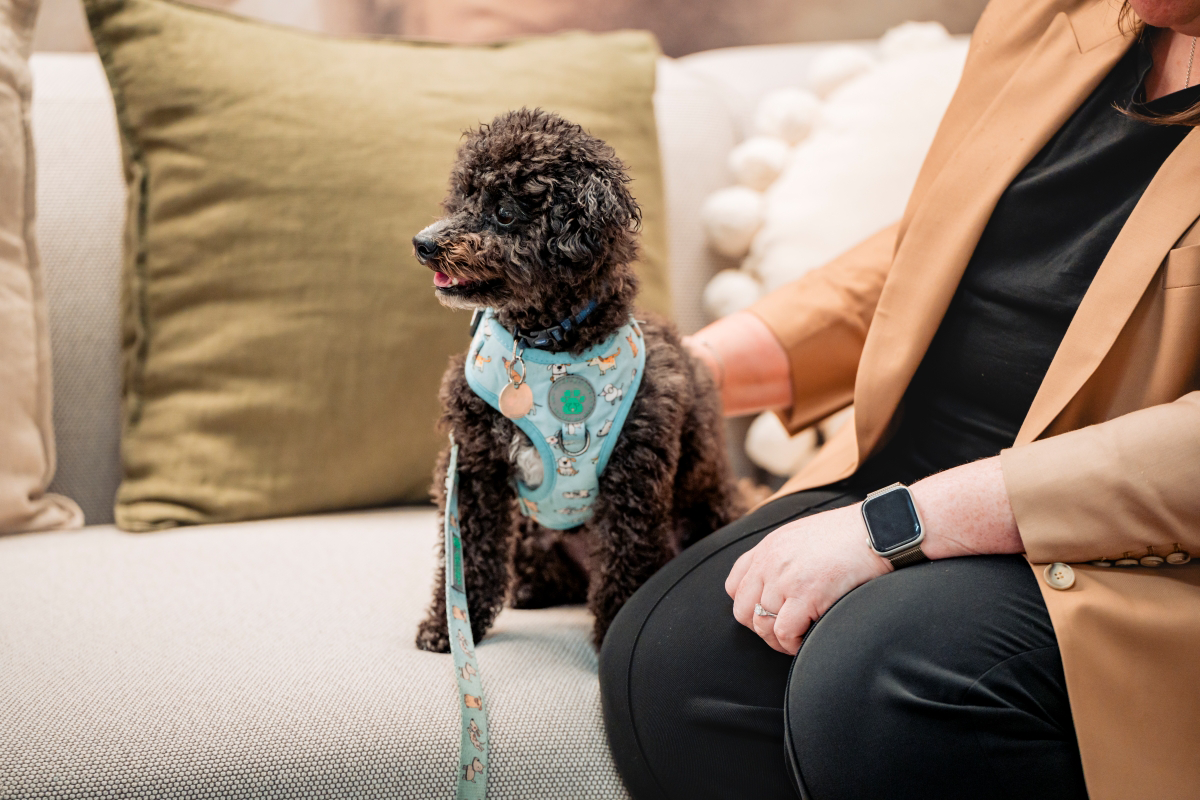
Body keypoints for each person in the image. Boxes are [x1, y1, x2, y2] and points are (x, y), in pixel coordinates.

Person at [598, 0, 1200, 798]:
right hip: (924, 461)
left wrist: (903, 524)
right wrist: (666, 376)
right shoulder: (1047, 15)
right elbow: (941, 240)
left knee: (882, 679)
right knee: (670, 658)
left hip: (1125, 546)